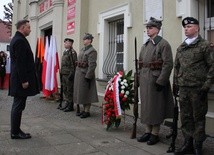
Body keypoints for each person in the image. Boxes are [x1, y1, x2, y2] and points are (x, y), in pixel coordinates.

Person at [173, 17, 214, 155]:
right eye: (185, 27)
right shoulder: (181, 47)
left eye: (189, 26)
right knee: (185, 117)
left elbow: (212, 66)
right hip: (183, 89)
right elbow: (176, 67)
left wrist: (207, 85)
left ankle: (198, 145)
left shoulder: (204, 45)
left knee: (198, 118)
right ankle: (187, 143)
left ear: (197, 28)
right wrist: (175, 84)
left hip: (198, 89)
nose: (186, 29)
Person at [137, 17, 174, 145]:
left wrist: (161, 81)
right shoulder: (145, 45)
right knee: (146, 107)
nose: (148, 30)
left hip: (156, 80)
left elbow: (168, 64)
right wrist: (137, 78)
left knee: (155, 107)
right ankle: (147, 131)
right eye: (147, 27)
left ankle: (155, 133)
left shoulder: (163, 44)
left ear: (158, 29)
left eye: (150, 27)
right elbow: (140, 64)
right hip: (144, 79)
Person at [9, 19, 39, 139]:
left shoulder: (18, 39)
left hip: (19, 79)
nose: (30, 29)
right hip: (20, 80)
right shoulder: (20, 41)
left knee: (19, 105)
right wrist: (24, 81)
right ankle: (15, 132)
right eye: (28, 27)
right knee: (18, 105)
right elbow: (20, 63)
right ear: (22, 28)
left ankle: (16, 130)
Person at [73, 33, 99, 118]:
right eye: (83, 39)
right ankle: (84, 110)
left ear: (89, 40)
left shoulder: (92, 51)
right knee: (81, 93)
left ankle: (87, 111)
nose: (83, 40)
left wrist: (88, 76)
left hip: (86, 74)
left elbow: (92, 65)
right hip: (79, 73)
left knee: (87, 93)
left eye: (85, 39)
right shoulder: (83, 49)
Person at [59, 38, 77, 112]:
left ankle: (70, 106)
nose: (65, 44)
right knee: (65, 90)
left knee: (69, 90)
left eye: (67, 43)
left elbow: (74, 65)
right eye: (65, 42)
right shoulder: (65, 52)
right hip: (64, 74)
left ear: (71, 44)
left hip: (69, 74)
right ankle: (66, 104)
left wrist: (72, 74)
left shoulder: (72, 52)